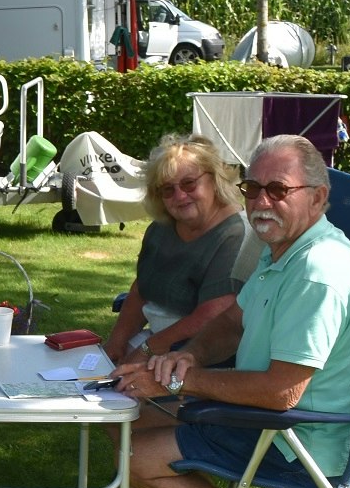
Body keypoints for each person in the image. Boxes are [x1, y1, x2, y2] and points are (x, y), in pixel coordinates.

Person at [111, 134, 350, 488]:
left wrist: (178, 381)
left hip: (299, 438)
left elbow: (280, 392)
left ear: (317, 197)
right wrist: (191, 356)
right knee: (127, 414)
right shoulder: (283, 249)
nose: (261, 202)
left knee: (136, 456)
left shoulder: (317, 271)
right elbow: (234, 321)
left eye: (278, 190)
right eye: (253, 188)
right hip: (267, 418)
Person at [104, 133, 260, 367]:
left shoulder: (237, 235)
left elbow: (212, 315)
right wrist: (117, 341)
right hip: (155, 341)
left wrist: (147, 350)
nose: (179, 195)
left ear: (214, 180)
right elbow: (141, 290)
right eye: (168, 189)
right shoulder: (161, 228)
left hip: (202, 355)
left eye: (189, 184)